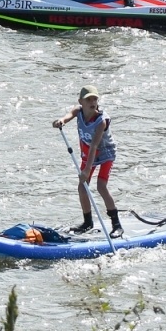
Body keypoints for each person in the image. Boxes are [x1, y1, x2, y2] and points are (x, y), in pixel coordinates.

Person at [53, 85, 123, 237]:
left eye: (95, 99)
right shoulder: (78, 111)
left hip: (105, 154)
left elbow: (94, 146)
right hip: (88, 155)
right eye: (88, 99)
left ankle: (116, 224)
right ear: (81, 101)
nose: (92, 102)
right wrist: (61, 121)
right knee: (82, 187)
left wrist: (86, 170)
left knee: (101, 186)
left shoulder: (101, 121)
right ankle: (87, 223)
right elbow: (68, 115)